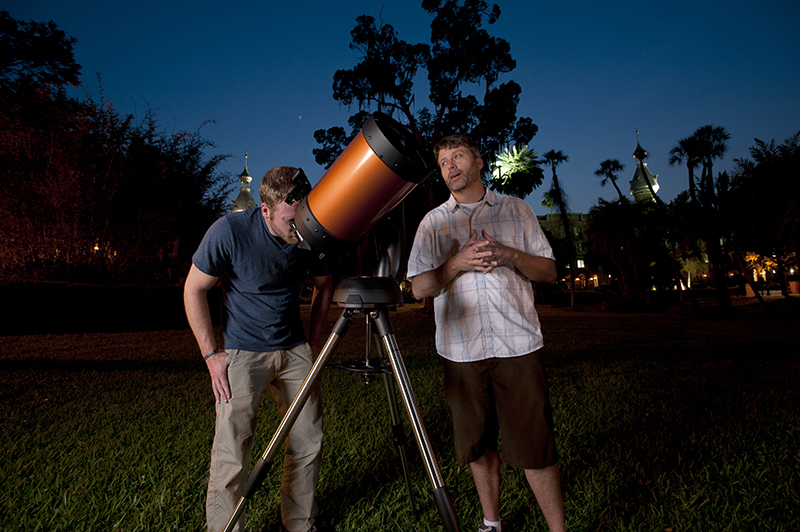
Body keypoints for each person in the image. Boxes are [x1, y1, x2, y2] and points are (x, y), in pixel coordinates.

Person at [407, 135, 566, 532]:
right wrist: (455, 264)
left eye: (457, 156)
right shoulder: (433, 224)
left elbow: (549, 272)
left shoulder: (516, 210)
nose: (451, 167)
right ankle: (491, 523)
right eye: (443, 162)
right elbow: (419, 288)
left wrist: (510, 254)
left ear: (479, 161)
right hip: (462, 352)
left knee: (535, 446)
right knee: (478, 444)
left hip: (517, 345)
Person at [184, 166, 333, 532]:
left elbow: (325, 286)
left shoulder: (310, 232)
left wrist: (312, 343)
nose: (297, 227)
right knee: (233, 448)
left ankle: (299, 523)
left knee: (307, 437)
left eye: (301, 216)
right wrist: (210, 355)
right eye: (288, 219)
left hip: (293, 348)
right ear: (265, 210)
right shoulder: (229, 231)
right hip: (241, 351)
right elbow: (193, 289)